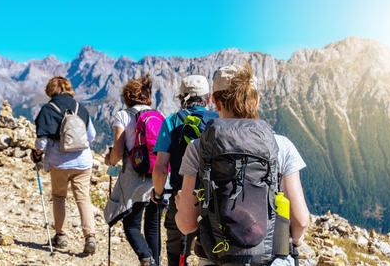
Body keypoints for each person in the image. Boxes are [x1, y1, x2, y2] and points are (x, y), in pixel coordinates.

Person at [175, 63, 310, 266]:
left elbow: (186, 225)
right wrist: (296, 239)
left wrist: (181, 206)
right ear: (256, 101)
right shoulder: (281, 145)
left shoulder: (197, 147)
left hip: (216, 258)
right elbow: (300, 220)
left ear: (216, 102)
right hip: (270, 258)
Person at [151, 75, 218, 266]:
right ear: (209, 98)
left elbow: (161, 169)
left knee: (177, 252)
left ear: (181, 98)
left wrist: (158, 193)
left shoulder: (172, 122)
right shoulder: (220, 121)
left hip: (182, 197)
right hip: (218, 200)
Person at [31, 76, 97, 254]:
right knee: (83, 198)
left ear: (50, 90)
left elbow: (42, 143)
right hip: (83, 161)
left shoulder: (47, 109)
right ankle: (90, 236)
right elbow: (91, 136)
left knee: (59, 197)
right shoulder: (80, 107)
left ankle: (61, 235)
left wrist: (36, 154)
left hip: (59, 163)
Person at [103, 73, 161, 266]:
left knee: (131, 225)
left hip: (134, 179)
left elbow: (118, 152)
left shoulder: (122, 115)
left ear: (127, 97)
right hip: (158, 178)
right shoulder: (158, 116)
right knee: (153, 226)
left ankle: (146, 258)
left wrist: (109, 160)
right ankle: (155, 262)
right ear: (147, 96)